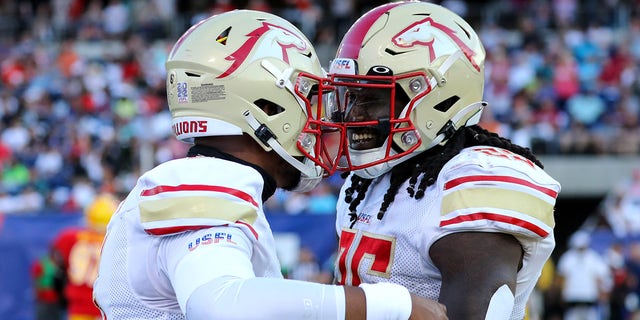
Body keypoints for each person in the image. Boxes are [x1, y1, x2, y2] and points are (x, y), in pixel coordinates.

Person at [93, 9, 447, 320]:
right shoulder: (201, 178)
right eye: (310, 97)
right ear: (269, 106)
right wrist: (394, 305)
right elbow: (220, 306)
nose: (323, 117)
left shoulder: (211, 179)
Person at [326, 1, 561, 319]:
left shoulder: (471, 183)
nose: (354, 114)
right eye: (352, 96)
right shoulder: (366, 182)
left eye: (373, 98)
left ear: (436, 97)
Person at [50, 192, 118, 320]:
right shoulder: (117, 241)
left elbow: (56, 261)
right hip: (108, 306)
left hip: (79, 305)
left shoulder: (69, 237)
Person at [557, 231, 612, 320]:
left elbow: (600, 276)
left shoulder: (593, 257)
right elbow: (562, 277)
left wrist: (602, 292)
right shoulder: (568, 257)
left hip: (589, 297)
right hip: (572, 298)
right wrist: (562, 293)